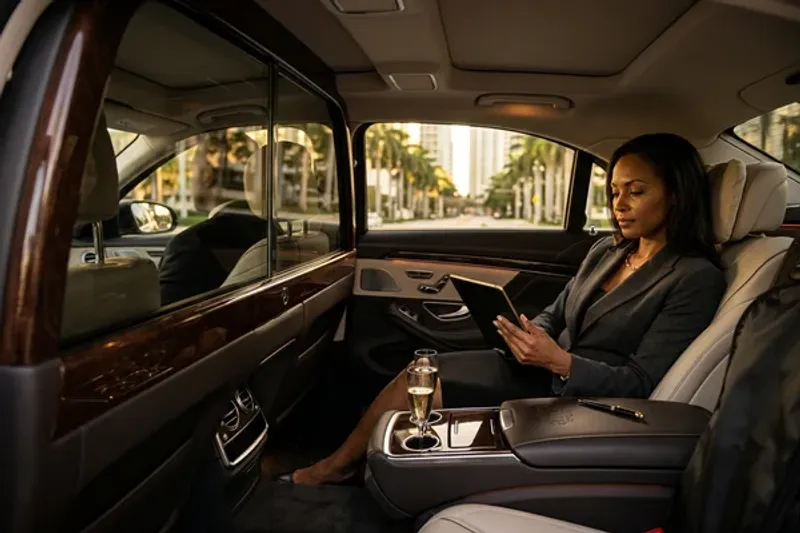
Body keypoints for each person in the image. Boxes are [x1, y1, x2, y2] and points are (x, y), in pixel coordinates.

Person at [280, 132, 727, 485]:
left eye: (636, 191)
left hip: (588, 398)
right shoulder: (608, 251)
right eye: (614, 191)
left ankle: (334, 468)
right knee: (422, 369)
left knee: (425, 377)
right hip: (542, 368)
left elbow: (642, 381)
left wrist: (562, 362)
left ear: (674, 195)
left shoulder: (693, 277)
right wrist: (528, 332)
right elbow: (559, 309)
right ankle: (353, 465)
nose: (619, 204)